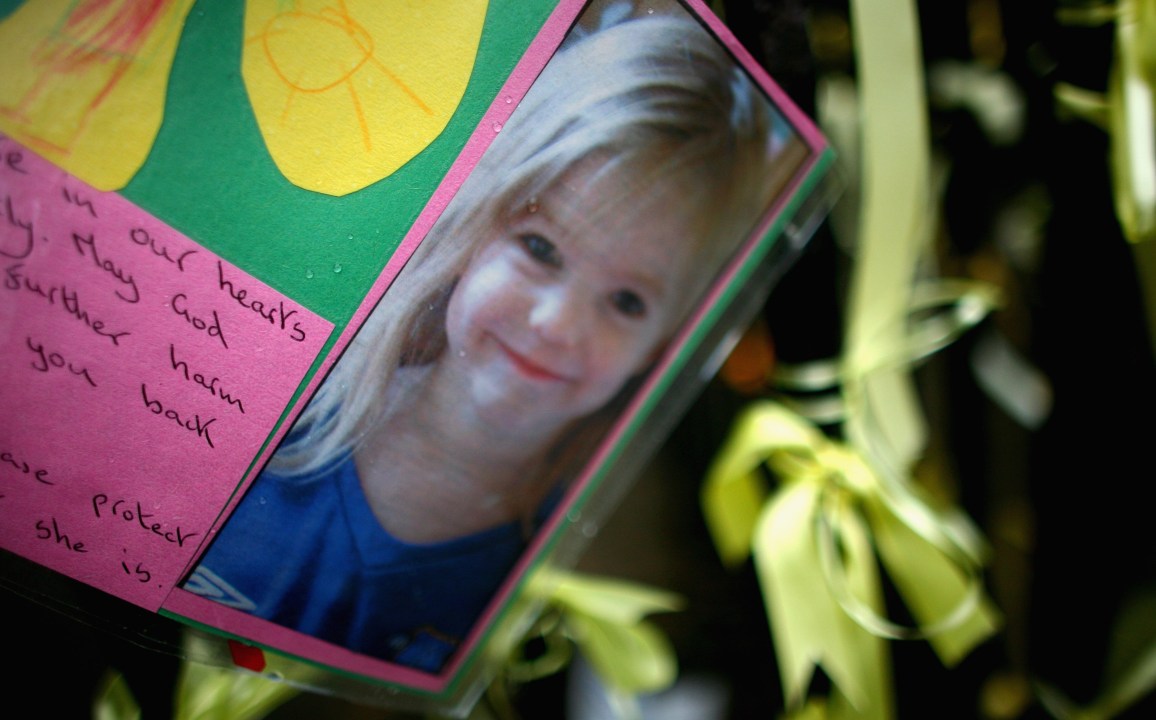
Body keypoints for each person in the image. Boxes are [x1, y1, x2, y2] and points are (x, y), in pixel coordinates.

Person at [184, 5, 804, 673]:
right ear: (471, 230)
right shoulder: (280, 409)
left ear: (662, 345)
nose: (555, 324)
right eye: (540, 248)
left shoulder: (589, 557)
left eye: (628, 300)